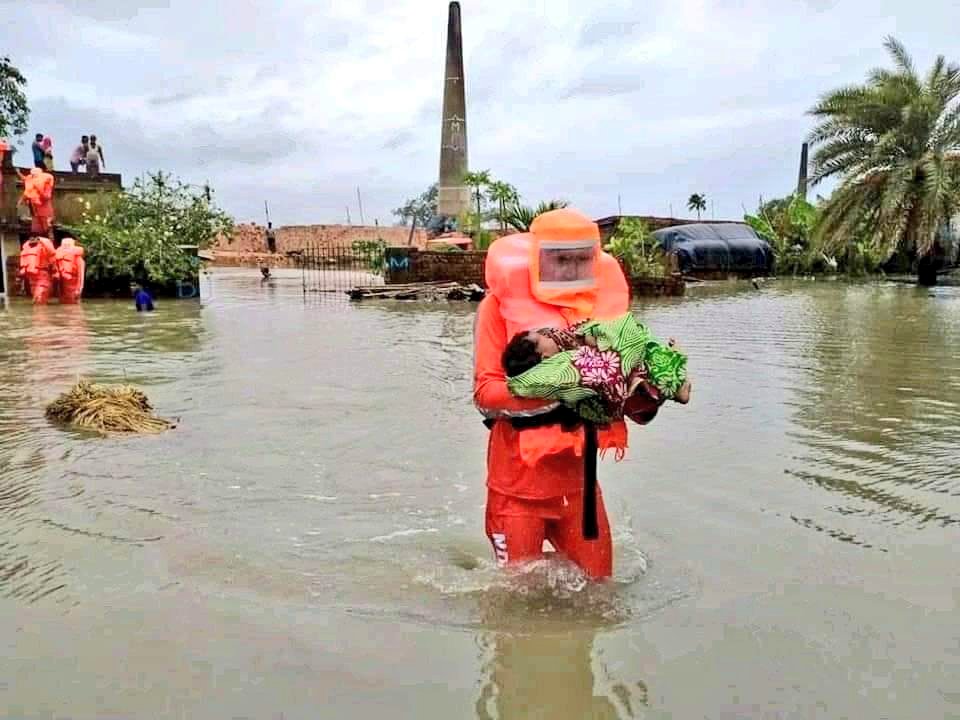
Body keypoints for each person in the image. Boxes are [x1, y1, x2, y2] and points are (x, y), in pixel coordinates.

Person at [474, 208, 682, 580]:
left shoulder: (605, 317)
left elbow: (634, 409)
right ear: (537, 259)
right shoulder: (498, 306)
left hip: (579, 487)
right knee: (516, 600)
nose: (571, 269)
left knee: (601, 590)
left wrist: (654, 388)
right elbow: (485, 394)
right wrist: (568, 387)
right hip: (516, 487)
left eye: (581, 259)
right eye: (560, 259)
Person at [502, 313, 691, 424]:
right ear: (544, 356)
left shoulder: (559, 344)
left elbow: (583, 331)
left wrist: (592, 332)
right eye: (541, 338)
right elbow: (603, 370)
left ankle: (675, 381)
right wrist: (599, 337)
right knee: (635, 350)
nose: (546, 334)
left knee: (636, 346)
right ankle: (677, 383)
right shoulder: (563, 370)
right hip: (625, 387)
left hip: (622, 381)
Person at [17, 236, 58, 304]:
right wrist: (55, 271)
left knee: (37, 294)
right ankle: (39, 308)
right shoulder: (44, 246)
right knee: (39, 295)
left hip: (33, 274)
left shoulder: (27, 248)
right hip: (39, 274)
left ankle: (38, 306)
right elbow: (52, 255)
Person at [18, 167, 56, 235]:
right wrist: (18, 172)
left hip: (43, 206)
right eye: (32, 175)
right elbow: (25, 180)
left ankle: (46, 235)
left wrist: (38, 189)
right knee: (37, 225)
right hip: (35, 206)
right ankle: (39, 235)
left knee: (46, 224)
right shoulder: (31, 178)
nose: (33, 176)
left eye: (34, 175)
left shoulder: (46, 179)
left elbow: (46, 196)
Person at [55, 237, 85, 304]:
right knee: (64, 304)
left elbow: (81, 276)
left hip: (73, 287)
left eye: (67, 245)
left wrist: (79, 289)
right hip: (63, 288)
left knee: (73, 304)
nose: (65, 247)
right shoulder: (59, 258)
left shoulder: (78, 259)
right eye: (64, 245)